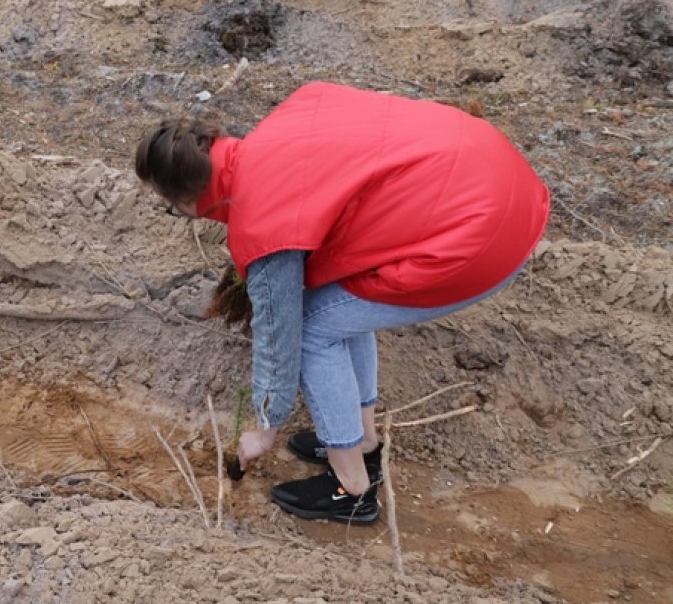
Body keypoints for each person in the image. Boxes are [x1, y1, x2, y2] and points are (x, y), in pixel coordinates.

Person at [134, 81, 549, 524]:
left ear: (186, 197)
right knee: (341, 307)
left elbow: (279, 340)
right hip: (499, 179)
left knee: (315, 327)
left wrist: (263, 429)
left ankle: (352, 488)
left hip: (479, 240)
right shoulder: (292, 117)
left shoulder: (262, 223)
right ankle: (363, 442)